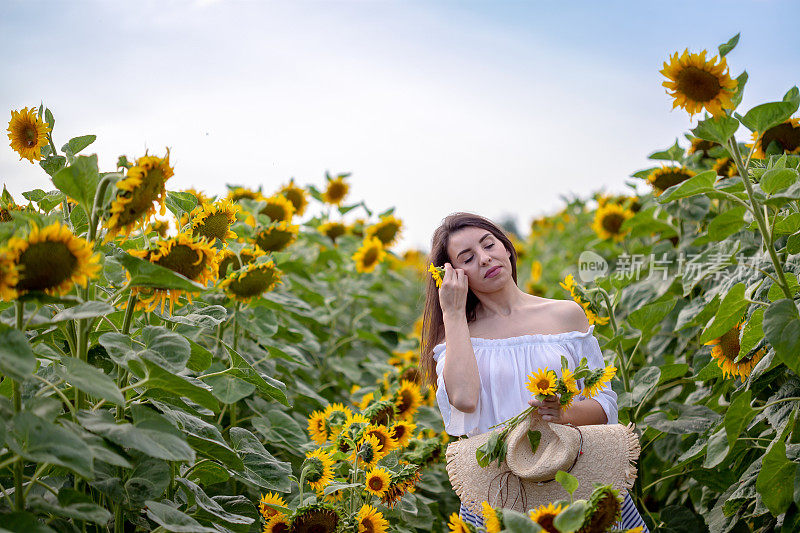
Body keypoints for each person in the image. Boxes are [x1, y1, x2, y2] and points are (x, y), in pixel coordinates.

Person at [419, 212, 649, 531]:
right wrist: (453, 313)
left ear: (507, 247)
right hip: (501, 490)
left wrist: (563, 411)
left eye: (490, 245)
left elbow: (605, 406)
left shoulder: (564, 315)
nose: (485, 259)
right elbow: (464, 399)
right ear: (453, 275)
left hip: (575, 476)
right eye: (468, 258)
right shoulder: (457, 335)